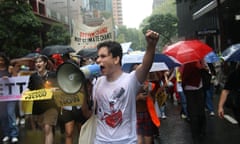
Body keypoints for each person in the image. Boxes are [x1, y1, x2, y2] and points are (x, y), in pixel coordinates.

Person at [81, 30, 159, 143]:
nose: (98, 60)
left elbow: (146, 66)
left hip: (126, 141)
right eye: (98, 57)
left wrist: (151, 46)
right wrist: (83, 89)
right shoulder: (96, 83)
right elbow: (88, 114)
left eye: (103, 56)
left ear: (116, 59)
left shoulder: (130, 80)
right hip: (100, 141)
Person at [24, 55, 59, 144]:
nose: (38, 64)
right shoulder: (33, 77)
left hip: (51, 106)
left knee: (48, 127)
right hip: (38, 108)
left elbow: (59, 88)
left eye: (40, 62)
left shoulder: (53, 75)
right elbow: (30, 89)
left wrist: (54, 89)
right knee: (45, 129)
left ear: (45, 63)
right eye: (36, 62)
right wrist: (25, 92)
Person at [182, 61, 206, 144]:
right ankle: (198, 134)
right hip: (194, 90)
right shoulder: (190, 63)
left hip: (194, 89)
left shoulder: (199, 63)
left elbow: (184, 78)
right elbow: (184, 77)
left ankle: (198, 134)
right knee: (196, 114)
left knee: (196, 113)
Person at [0, 53, 19, 143]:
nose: (1, 62)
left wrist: (8, 78)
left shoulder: (10, 68)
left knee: (10, 113)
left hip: (11, 95)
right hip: (1, 96)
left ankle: (14, 134)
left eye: (2, 60)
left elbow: (16, 79)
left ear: (5, 60)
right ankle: (6, 134)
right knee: (3, 116)